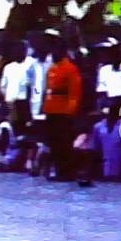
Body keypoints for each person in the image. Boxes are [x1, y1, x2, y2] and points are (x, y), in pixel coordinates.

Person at [42, 38, 83, 181]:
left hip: (64, 111)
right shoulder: (52, 69)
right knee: (54, 142)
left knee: (64, 143)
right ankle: (58, 170)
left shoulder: (71, 68)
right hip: (52, 109)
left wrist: (70, 111)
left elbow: (75, 92)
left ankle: (67, 172)